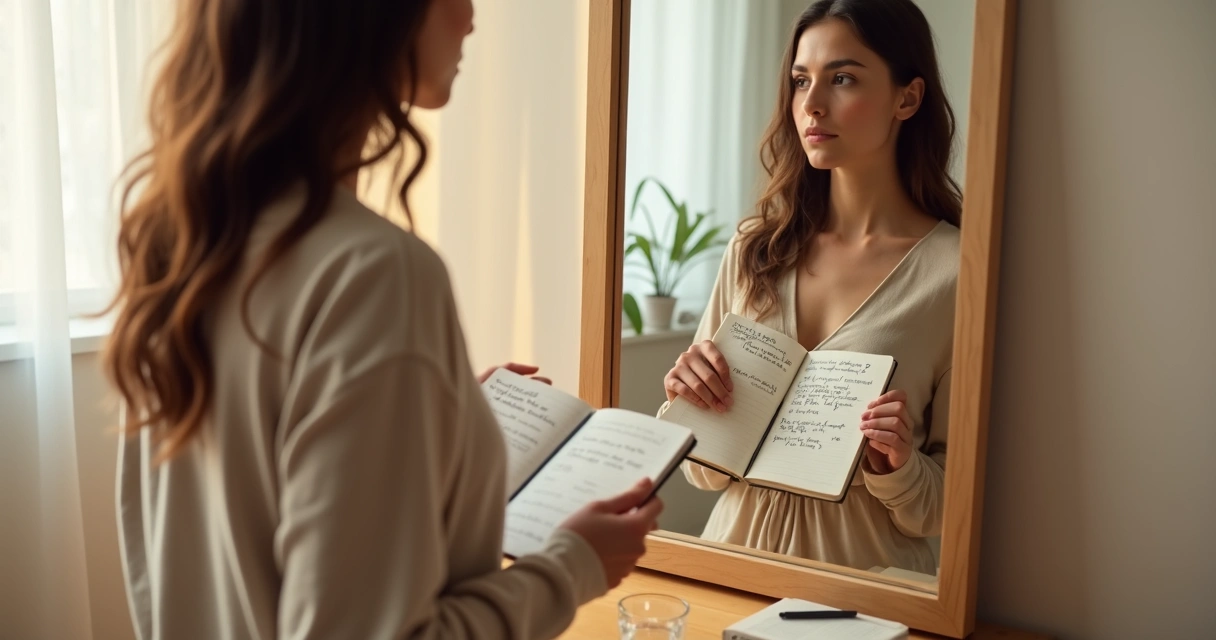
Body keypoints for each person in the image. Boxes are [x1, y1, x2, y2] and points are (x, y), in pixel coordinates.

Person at [103, 1, 662, 638]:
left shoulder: (179, 251)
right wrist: (573, 565)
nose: (472, 14)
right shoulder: (374, 276)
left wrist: (428, 420)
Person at [661, 0, 959, 575]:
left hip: (862, 597)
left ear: (908, 98)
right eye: (801, 81)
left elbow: (946, 509)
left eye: (842, 78)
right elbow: (703, 472)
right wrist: (691, 402)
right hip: (727, 572)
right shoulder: (754, 250)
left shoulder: (955, 274)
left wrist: (894, 465)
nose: (812, 105)